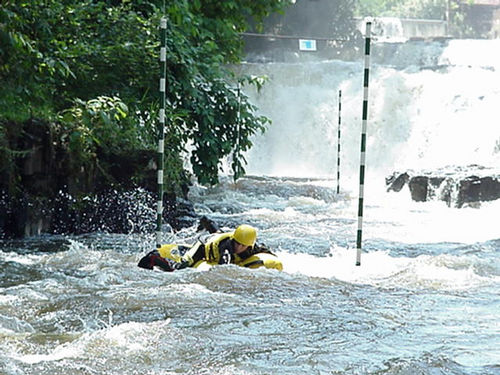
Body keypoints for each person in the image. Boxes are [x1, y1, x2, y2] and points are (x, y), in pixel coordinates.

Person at [138, 224, 268, 272]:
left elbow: (263, 250)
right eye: (237, 243)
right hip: (202, 247)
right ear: (234, 239)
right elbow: (224, 271)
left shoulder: (251, 245)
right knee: (179, 267)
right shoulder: (227, 249)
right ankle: (155, 257)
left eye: (243, 245)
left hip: (212, 239)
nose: (239, 247)